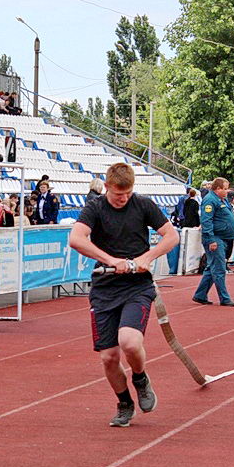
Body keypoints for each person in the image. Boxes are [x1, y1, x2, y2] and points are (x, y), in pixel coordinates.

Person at [68, 162, 179, 427]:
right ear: (107, 187)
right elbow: (76, 239)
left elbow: (171, 236)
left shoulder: (143, 204)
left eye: (128, 193)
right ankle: (124, 403)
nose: (124, 198)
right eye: (119, 194)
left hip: (136, 286)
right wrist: (111, 260)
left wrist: (148, 257)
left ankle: (140, 377)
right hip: (105, 288)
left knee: (129, 342)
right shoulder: (95, 208)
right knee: (108, 357)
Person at [192, 177, 234, 307]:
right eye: (225, 188)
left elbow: (229, 217)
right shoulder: (210, 200)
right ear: (217, 189)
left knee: (211, 268)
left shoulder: (222, 199)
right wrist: (211, 239)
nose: (227, 191)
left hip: (223, 237)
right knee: (219, 269)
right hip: (215, 238)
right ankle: (224, 298)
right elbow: (206, 221)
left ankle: (200, 295)